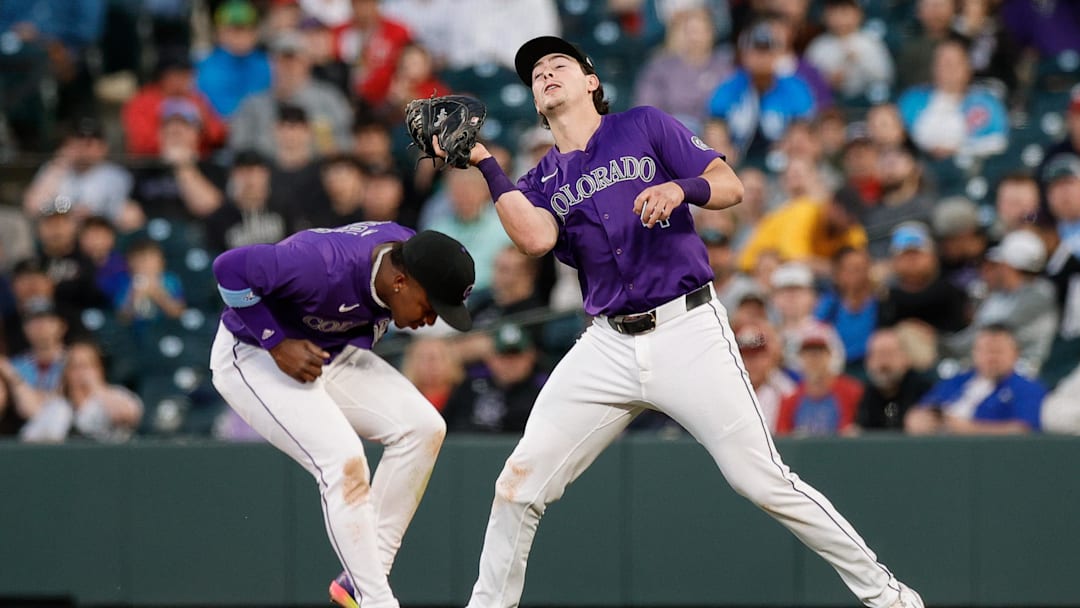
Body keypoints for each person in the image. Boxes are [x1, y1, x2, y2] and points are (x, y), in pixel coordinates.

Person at [425, 35, 924, 608]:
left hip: (687, 328)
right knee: (517, 486)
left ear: (592, 82)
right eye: (536, 74)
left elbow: (731, 186)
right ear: (536, 104)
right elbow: (535, 237)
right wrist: (486, 162)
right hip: (608, 342)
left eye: (558, 64)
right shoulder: (542, 178)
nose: (545, 73)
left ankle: (890, 598)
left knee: (760, 479)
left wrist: (679, 186)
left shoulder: (644, 126)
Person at [209, 223, 475, 608]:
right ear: (400, 281)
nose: (432, 320)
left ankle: (360, 581)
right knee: (343, 461)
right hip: (254, 356)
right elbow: (228, 269)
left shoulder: (411, 255)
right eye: (432, 306)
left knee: (423, 427)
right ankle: (377, 601)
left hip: (329, 351)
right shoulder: (319, 264)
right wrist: (276, 342)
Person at [943, 230, 1059, 374]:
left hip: (1023, 368)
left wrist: (942, 347)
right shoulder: (998, 294)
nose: (995, 268)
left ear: (1009, 266)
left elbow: (993, 332)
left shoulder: (1039, 294)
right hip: (982, 362)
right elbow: (974, 333)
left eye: (999, 263)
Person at [229, 30, 353, 158]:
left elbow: (347, 142)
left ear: (307, 61)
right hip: (267, 172)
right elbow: (239, 147)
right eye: (282, 60)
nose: (288, 66)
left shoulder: (329, 99)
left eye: (294, 59)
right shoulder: (253, 104)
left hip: (317, 171)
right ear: (272, 63)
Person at [707, 21, 815, 165]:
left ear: (777, 55)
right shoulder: (730, 86)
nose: (762, 57)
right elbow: (715, 126)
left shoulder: (794, 87)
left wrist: (786, 147)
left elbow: (801, 128)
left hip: (780, 159)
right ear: (744, 55)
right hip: (736, 158)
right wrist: (723, 151)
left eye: (767, 50)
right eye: (756, 50)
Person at [905, 325, 1046, 435]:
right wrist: (917, 419)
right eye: (985, 351)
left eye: (997, 351)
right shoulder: (956, 381)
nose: (991, 358)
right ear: (974, 353)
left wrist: (968, 429)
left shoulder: (1027, 388)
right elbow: (924, 408)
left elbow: (1023, 431)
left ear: (1015, 354)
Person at [897, 37, 1009, 160]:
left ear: (968, 67)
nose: (948, 69)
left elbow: (999, 142)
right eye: (942, 63)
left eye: (954, 63)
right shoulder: (912, 99)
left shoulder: (987, 104)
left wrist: (959, 150)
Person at [632, 7, 734, 134]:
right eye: (691, 31)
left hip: (715, 138)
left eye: (701, 30)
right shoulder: (660, 67)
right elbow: (645, 109)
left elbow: (736, 109)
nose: (695, 37)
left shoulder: (725, 67)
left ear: (712, 32)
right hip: (670, 135)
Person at [21, 118, 137, 229]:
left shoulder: (116, 175)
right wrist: (59, 164)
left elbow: (120, 212)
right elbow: (32, 207)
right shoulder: (54, 169)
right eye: (77, 141)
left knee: (131, 214)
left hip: (99, 231)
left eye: (89, 143)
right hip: (61, 232)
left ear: (103, 147)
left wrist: (90, 213)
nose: (82, 148)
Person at [18, 341, 142, 442]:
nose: (81, 372)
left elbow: (127, 415)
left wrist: (97, 388)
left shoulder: (116, 394)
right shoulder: (58, 406)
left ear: (99, 369)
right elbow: (28, 439)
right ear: (66, 372)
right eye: (75, 367)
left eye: (87, 366)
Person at [442, 323, 548, 433]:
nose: (510, 363)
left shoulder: (543, 391)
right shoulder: (471, 386)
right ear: (490, 358)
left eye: (516, 355)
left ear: (530, 357)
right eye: (503, 355)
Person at [122, 52, 227, 157]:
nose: (183, 80)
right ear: (162, 76)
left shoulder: (196, 99)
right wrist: (176, 141)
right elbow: (141, 143)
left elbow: (217, 135)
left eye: (187, 75)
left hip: (197, 161)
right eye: (177, 74)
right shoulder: (142, 102)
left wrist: (203, 126)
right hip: (154, 164)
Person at [877, 223, 969, 336]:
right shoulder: (886, 299)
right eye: (905, 255)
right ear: (894, 261)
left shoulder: (950, 292)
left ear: (933, 257)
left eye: (917, 254)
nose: (912, 261)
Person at [776, 328, 864, 436]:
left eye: (819, 353)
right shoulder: (790, 399)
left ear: (830, 355)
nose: (813, 359)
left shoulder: (853, 391)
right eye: (807, 353)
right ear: (800, 357)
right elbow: (783, 437)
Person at [194, 0, 272, 118]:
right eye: (234, 30)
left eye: (247, 29)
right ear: (218, 32)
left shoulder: (267, 65)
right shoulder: (203, 68)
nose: (241, 36)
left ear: (255, 32)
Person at [804, 0, 894, 100]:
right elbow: (807, 80)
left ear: (858, 14)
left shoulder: (870, 42)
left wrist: (860, 61)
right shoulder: (819, 46)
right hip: (829, 101)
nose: (839, 18)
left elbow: (886, 77)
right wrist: (827, 81)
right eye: (834, 12)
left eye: (844, 12)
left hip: (866, 100)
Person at [857, 328, 933, 431]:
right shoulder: (864, 395)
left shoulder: (926, 391)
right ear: (867, 361)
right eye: (877, 355)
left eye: (889, 354)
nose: (883, 363)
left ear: (906, 358)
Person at [734, 320, 795, 433]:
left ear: (768, 357)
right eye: (745, 356)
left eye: (756, 356)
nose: (751, 363)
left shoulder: (785, 390)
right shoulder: (728, 391)